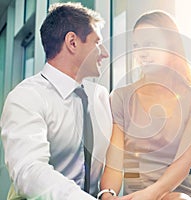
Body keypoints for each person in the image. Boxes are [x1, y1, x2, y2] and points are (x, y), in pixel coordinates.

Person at [0, 2, 111, 199]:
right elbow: (30, 172)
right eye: (97, 42)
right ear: (72, 42)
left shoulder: (100, 96)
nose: (104, 53)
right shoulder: (26, 98)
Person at [99, 11, 191, 200]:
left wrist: (150, 195)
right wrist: (108, 195)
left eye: (151, 44)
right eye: (137, 46)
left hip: (185, 196)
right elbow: (114, 164)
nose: (142, 53)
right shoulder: (120, 97)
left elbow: (183, 163)